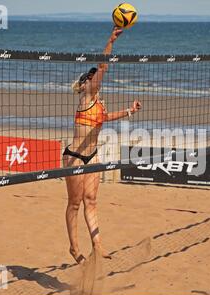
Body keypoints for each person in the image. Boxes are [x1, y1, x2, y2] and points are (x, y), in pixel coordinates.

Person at [63, 26, 142, 264]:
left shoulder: (98, 105)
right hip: (75, 156)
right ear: (85, 84)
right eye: (90, 77)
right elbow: (103, 66)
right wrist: (110, 41)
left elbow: (105, 119)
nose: (93, 78)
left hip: (92, 156)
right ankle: (74, 248)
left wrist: (129, 110)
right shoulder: (86, 97)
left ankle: (97, 245)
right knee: (74, 203)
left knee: (92, 201)